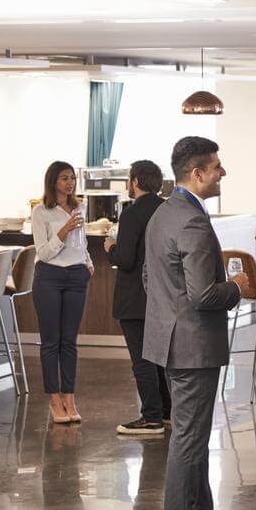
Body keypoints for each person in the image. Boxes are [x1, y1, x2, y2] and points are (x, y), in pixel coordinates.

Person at [144, 137, 252, 510]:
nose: (222, 172)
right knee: (189, 438)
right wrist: (238, 286)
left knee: (195, 432)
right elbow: (205, 295)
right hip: (192, 346)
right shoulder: (191, 220)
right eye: (217, 166)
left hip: (169, 341)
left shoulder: (163, 212)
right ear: (197, 174)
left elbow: (150, 279)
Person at [106, 160, 170, 435]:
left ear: (136, 182)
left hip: (134, 297)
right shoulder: (166, 209)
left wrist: (111, 248)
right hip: (162, 296)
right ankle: (166, 412)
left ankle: (151, 417)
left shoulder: (132, 213)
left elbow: (126, 259)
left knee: (141, 359)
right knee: (159, 357)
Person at [31, 161, 94, 424]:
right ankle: (54, 399)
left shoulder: (80, 206)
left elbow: (82, 240)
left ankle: (69, 396)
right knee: (51, 341)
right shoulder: (41, 212)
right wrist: (64, 230)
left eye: (71, 178)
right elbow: (43, 252)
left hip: (77, 276)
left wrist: (87, 260)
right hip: (50, 276)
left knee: (69, 340)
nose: (69, 183)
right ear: (52, 182)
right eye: (63, 178)